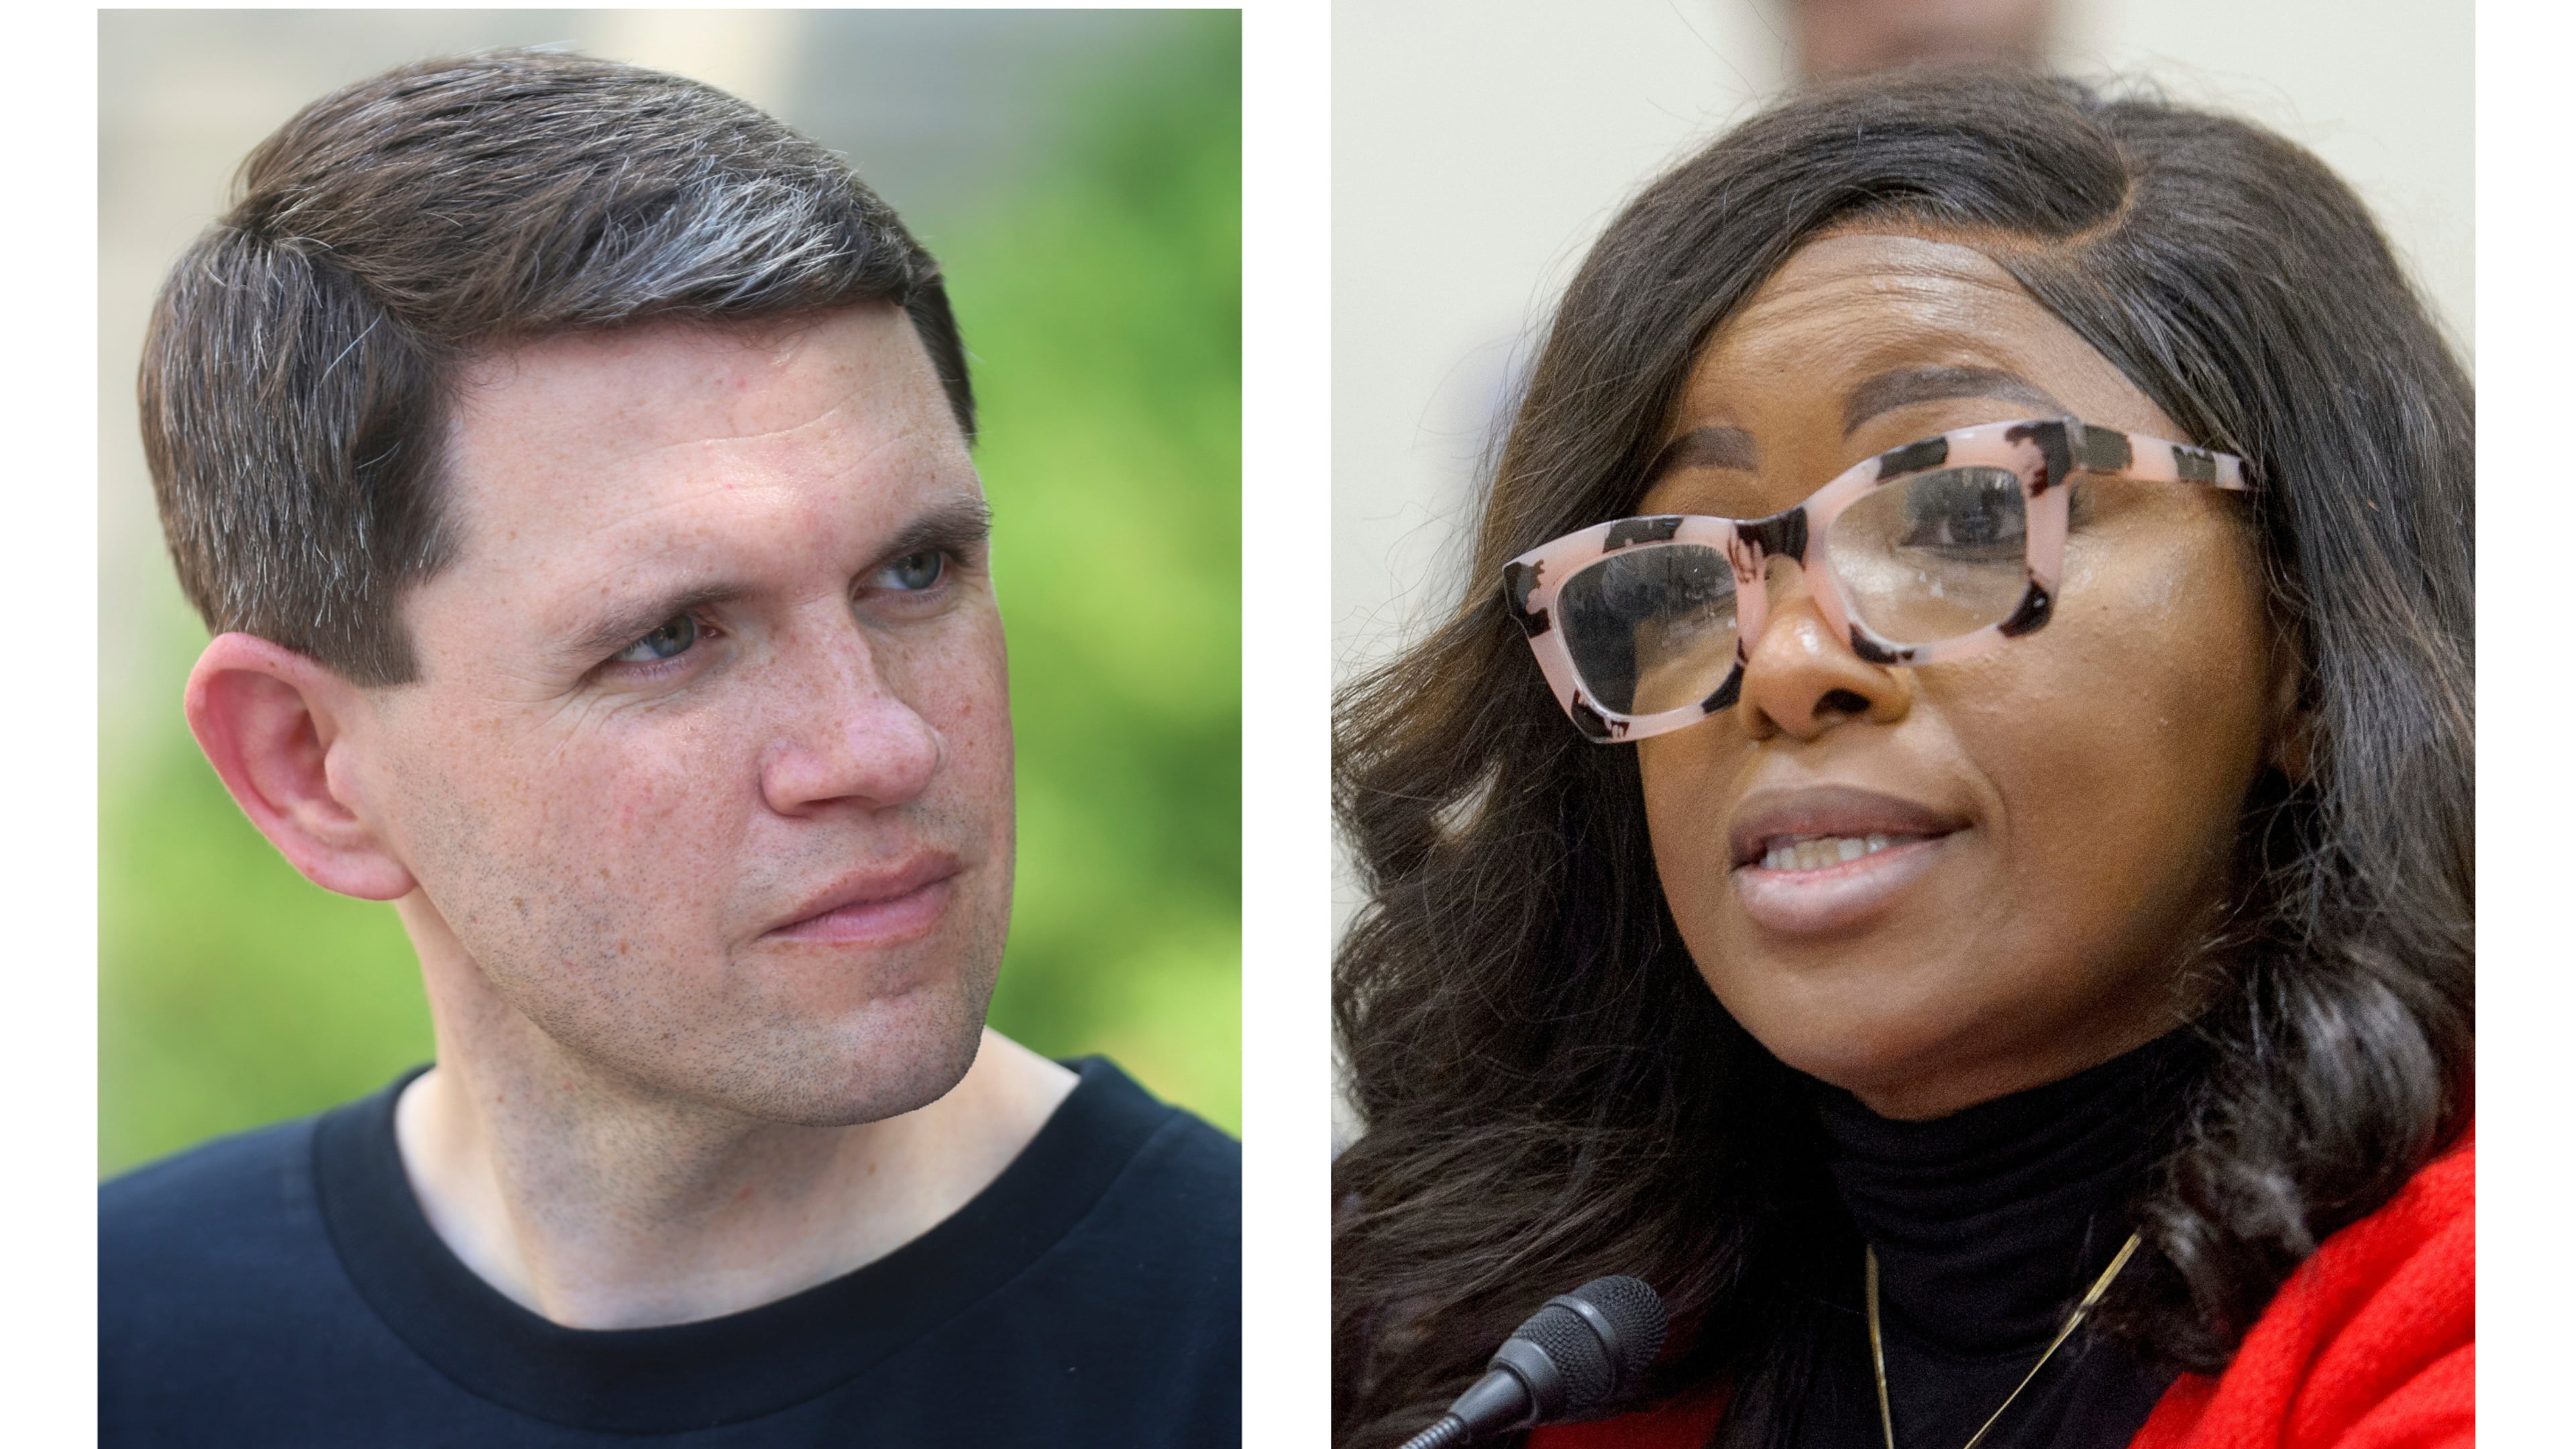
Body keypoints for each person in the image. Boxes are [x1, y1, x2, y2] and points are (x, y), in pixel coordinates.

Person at [101, 50, 1238, 1446]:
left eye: (918, 570)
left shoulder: (1284, 1345)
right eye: (672, 637)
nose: (876, 744)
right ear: (308, 765)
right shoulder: (104, 1355)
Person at [1332, 68, 2469, 1449]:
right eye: (1679, 582)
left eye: (1954, 521)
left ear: (2306, 639)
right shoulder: (1527, 1362)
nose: (1792, 668)